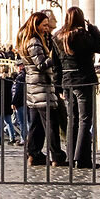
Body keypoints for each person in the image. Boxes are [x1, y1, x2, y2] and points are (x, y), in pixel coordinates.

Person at [53, 6, 100, 168]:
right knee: (85, 120)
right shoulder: (84, 35)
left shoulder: (57, 37)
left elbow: (56, 65)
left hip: (67, 81)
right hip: (84, 80)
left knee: (72, 120)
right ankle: (82, 159)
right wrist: (93, 28)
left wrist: (58, 86)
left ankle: (71, 156)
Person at [17, 10, 68, 167]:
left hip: (35, 88)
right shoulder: (33, 42)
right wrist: (53, 59)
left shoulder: (31, 40)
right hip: (41, 87)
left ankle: (34, 154)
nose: (47, 28)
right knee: (51, 124)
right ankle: (56, 156)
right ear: (36, 25)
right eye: (44, 25)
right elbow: (40, 64)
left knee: (37, 124)